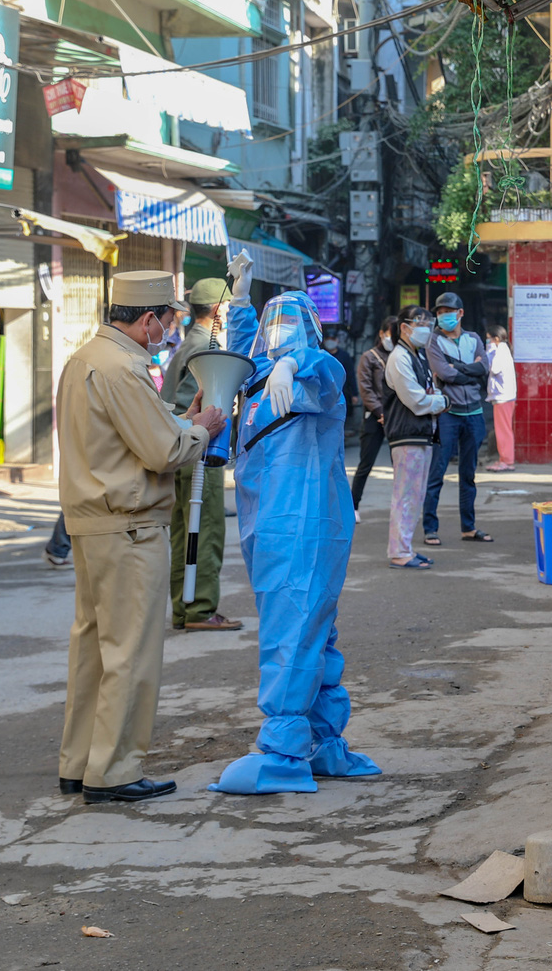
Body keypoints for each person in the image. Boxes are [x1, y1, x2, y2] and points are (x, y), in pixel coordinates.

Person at [56, 270, 227, 804]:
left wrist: (182, 418)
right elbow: (164, 453)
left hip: (92, 522)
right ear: (148, 319)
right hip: (128, 526)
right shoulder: (124, 368)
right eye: (168, 320)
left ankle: (81, 762)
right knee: (130, 652)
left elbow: (135, 434)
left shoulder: (87, 358)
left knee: (94, 651)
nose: (170, 329)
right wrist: (204, 429)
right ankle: (114, 771)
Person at [211, 291, 380, 793]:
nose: (279, 328)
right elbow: (241, 355)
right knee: (311, 631)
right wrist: (238, 302)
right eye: (272, 320)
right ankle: (325, 741)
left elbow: (325, 369)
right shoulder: (258, 377)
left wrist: (293, 364)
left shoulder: (311, 374)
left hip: (304, 525)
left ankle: (284, 750)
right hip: (268, 523)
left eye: (291, 321)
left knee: (294, 627)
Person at [158, 276, 241, 633]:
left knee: (185, 533)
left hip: (186, 447)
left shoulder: (190, 342)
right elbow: (202, 404)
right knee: (203, 532)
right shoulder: (203, 346)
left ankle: (185, 608)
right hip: (200, 451)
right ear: (220, 308)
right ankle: (200, 609)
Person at [423, 291, 492, 545]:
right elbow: (444, 374)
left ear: (460, 313)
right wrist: (469, 371)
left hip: (474, 413)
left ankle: (469, 527)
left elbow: (484, 368)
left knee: (468, 474)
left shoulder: (474, 339)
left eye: (447, 312)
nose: (443, 317)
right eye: (439, 313)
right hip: (447, 414)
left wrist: (458, 369)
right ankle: (430, 527)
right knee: (437, 472)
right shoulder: (433, 341)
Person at [382, 308, 446, 569]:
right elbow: (416, 399)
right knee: (406, 495)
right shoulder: (399, 358)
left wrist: (436, 400)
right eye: (420, 323)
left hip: (421, 434)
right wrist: (441, 401)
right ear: (405, 327)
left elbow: (426, 393)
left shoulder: (416, 356)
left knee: (415, 495)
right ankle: (398, 551)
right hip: (407, 434)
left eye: (429, 323)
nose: (425, 328)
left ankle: (405, 547)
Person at [350, 314, 398, 513]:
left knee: (400, 466)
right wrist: (381, 412)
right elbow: (366, 390)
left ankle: (401, 508)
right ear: (381, 333)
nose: (392, 339)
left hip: (397, 417)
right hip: (374, 417)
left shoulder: (402, 356)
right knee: (365, 464)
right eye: (390, 334)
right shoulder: (368, 357)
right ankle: (353, 507)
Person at [486, 324, 517, 471]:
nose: (488, 343)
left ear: (496, 339)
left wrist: (490, 352)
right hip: (505, 396)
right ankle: (504, 459)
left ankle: (507, 460)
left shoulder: (500, 352)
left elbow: (494, 368)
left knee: (503, 430)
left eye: (489, 340)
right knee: (503, 429)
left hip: (503, 397)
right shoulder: (504, 350)